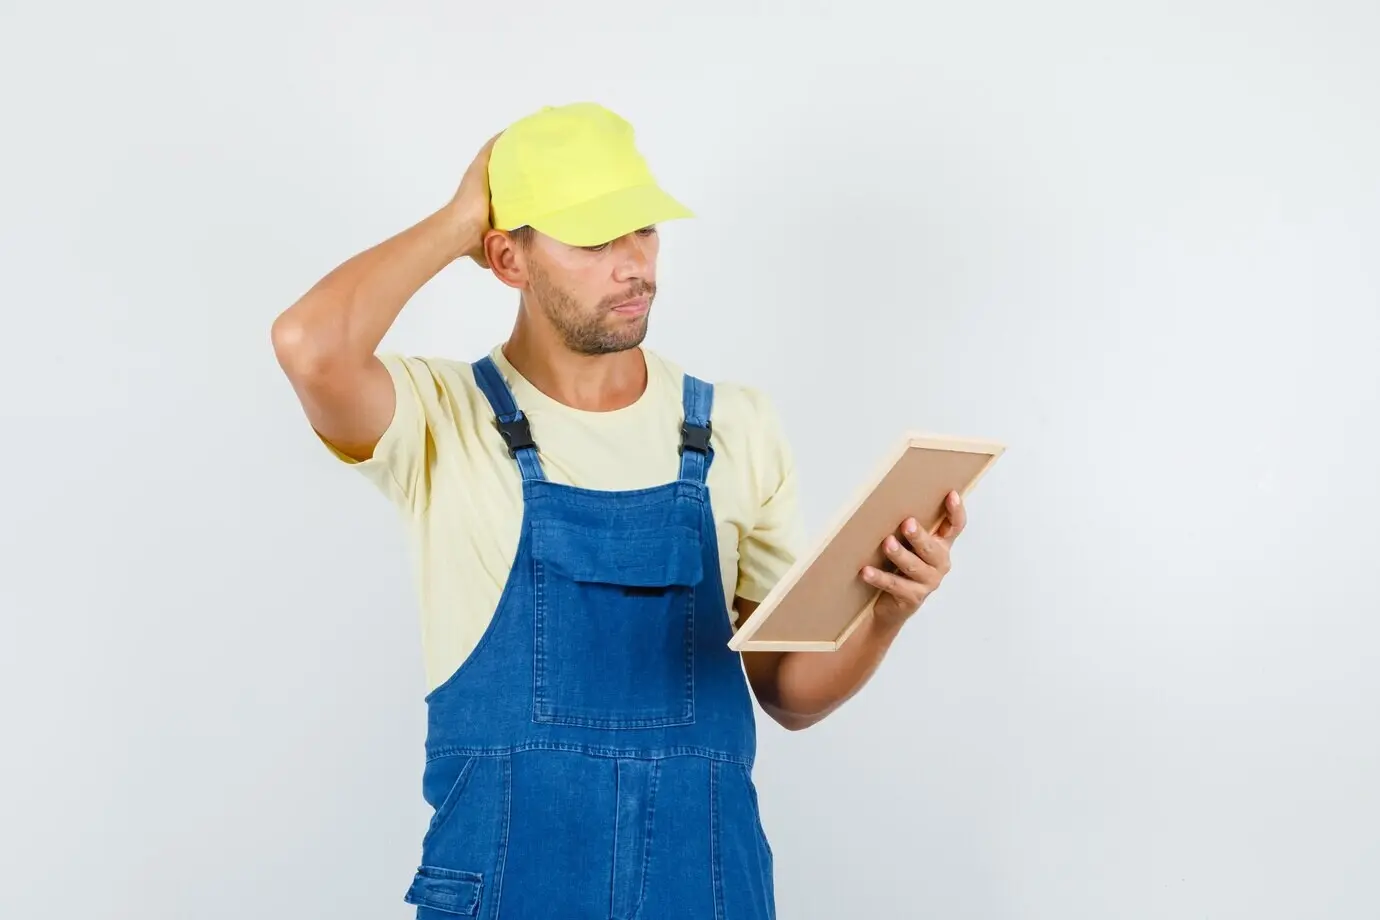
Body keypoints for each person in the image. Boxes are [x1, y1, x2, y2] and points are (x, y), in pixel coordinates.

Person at [271, 101, 967, 919]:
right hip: (506, 895)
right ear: (507, 258)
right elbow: (309, 345)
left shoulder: (737, 426)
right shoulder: (439, 417)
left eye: (643, 230)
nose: (634, 264)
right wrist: (465, 215)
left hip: (702, 891)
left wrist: (883, 613)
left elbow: (787, 690)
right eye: (595, 240)